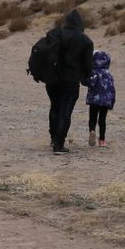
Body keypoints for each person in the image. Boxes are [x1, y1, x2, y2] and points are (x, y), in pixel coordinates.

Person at [45, 9, 94, 155]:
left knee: (54, 107)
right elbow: (87, 65)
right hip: (71, 80)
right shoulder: (85, 40)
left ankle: (54, 138)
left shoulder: (55, 34)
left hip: (52, 79)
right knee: (65, 112)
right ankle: (59, 144)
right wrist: (86, 77)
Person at [82, 49, 116, 148]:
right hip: (105, 101)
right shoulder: (108, 75)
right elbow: (112, 90)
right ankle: (102, 140)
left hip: (94, 100)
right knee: (102, 120)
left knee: (92, 118)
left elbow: (86, 82)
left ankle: (92, 130)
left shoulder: (93, 73)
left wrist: (83, 77)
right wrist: (112, 102)